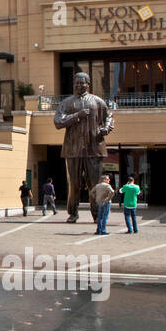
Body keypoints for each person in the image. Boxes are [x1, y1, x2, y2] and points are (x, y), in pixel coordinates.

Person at [53, 72, 115, 223]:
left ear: (88, 84)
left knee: (94, 185)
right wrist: (76, 116)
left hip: (93, 148)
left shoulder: (97, 101)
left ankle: (96, 214)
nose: (79, 85)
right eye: (76, 83)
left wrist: (106, 128)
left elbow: (109, 116)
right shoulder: (67, 103)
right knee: (73, 184)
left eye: (82, 83)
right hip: (73, 150)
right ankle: (73, 213)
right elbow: (58, 122)